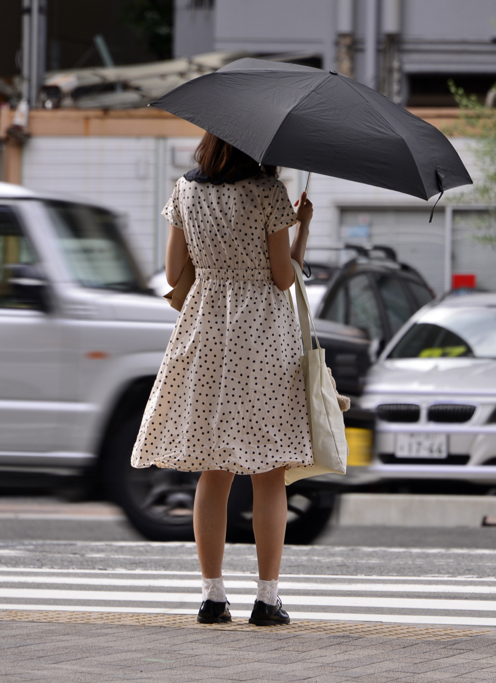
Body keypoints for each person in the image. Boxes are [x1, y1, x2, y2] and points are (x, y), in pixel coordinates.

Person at [131, 132, 314, 626]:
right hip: (262, 336)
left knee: (215, 471)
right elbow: (282, 276)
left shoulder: (185, 191)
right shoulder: (268, 192)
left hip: (206, 328)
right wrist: (302, 229)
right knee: (268, 471)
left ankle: (213, 598)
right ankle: (267, 599)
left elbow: (173, 274)